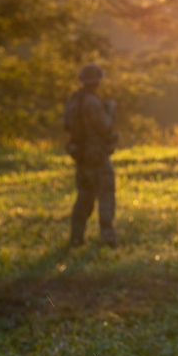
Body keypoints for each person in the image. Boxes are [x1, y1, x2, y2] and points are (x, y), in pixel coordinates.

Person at [65, 63, 118, 248]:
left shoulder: (73, 101)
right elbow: (105, 126)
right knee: (106, 193)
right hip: (95, 154)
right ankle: (107, 236)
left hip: (80, 155)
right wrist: (110, 110)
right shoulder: (93, 102)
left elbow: (66, 125)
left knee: (84, 196)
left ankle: (76, 236)